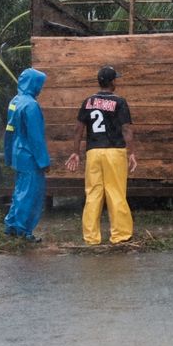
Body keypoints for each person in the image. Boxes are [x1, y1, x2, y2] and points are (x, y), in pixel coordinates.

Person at [65, 65, 137, 245]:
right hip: (114, 151)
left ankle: (91, 237)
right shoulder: (119, 102)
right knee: (115, 192)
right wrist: (132, 153)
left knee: (93, 193)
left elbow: (78, 129)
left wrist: (75, 151)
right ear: (112, 81)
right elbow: (126, 128)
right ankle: (120, 235)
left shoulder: (87, 102)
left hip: (94, 151)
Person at [3, 67, 51, 243]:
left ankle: (12, 226)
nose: (40, 88)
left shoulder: (15, 101)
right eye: (40, 84)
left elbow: (9, 130)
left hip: (18, 154)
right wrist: (43, 161)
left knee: (20, 192)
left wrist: (8, 154)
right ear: (33, 84)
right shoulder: (31, 105)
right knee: (31, 194)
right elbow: (36, 137)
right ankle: (24, 231)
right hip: (30, 157)